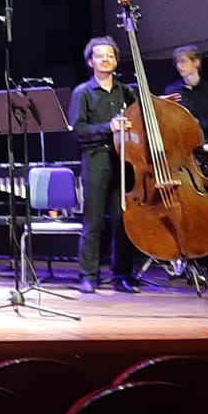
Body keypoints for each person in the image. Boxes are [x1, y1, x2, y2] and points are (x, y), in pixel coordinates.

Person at [66, 35, 141, 294]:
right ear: (91, 61)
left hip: (124, 161)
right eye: (99, 55)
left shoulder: (126, 91)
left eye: (110, 55)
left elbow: (139, 123)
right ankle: (88, 275)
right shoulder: (82, 93)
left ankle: (122, 275)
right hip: (96, 159)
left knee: (123, 221)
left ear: (116, 60)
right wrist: (107, 127)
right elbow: (78, 130)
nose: (105, 59)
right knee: (94, 220)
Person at [162, 44, 208, 141]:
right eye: (177, 62)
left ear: (196, 62)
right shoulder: (171, 90)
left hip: (207, 145)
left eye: (183, 61)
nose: (179, 66)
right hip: (181, 143)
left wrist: (198, 123)